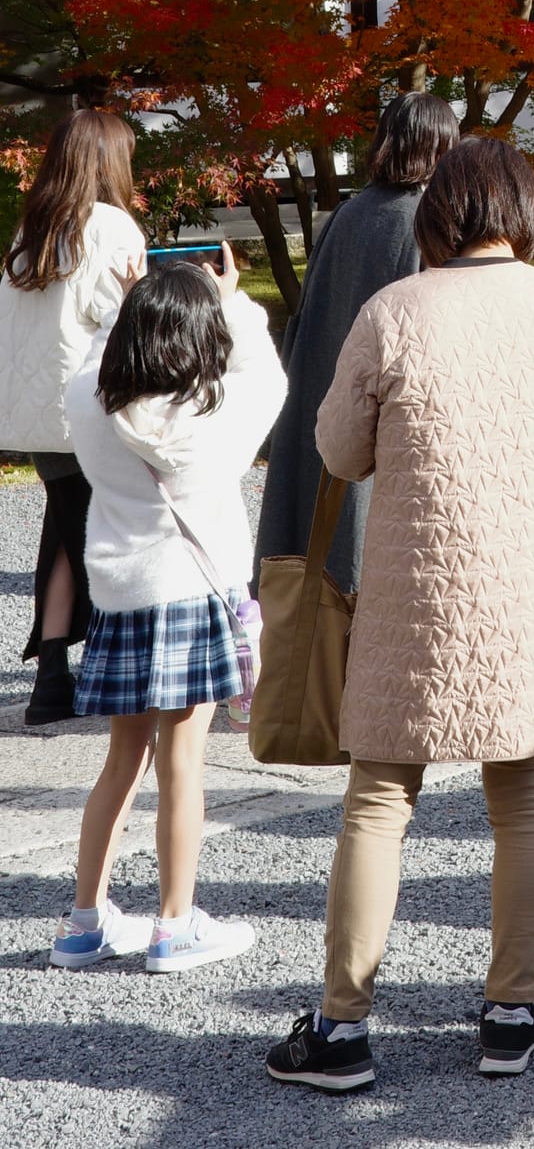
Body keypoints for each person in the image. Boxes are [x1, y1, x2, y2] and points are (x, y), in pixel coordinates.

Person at [266, 134, 534, 1092]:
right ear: (526, 214)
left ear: (437, 216)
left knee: (379, 801)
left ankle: (341, 1029)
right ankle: (511, 1011)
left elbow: (339, 452)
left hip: (410, 594)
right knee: (525, 795)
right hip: (525, 592)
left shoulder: (395, 312)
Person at [54, 249, 285, 973]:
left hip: (120, 595)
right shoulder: (214, 415)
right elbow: (268, 375)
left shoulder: (91, 398)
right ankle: (174, 924)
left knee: (121, 760)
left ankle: (84, 923)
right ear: (199, 335)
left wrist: (127, 304)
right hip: (190, 591)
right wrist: (232, 299)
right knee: (182, 762)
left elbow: (93, 363)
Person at [254, 93, 459, 602]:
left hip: (326, 394)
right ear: (441, 146)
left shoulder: (345, 215)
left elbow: (309, 321)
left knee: (325, 541)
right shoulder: (427, 220)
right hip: (390, 411)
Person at [0, 108, 149, 726]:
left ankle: (53, 676)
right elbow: (125, 326)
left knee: (65, 529)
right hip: (90, 409)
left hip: (33, 418)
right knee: (110, 530)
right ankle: (118, 667)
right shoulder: (113, 228)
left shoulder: (31, 230)